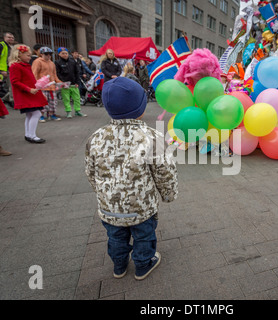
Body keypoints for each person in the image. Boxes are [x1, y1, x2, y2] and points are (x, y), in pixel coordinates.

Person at [85, 77, 178, 280]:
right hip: (142, 208)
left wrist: (101, 192)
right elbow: (165, 171)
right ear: (141, 108)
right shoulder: (152, 137)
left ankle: (119, 266)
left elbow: (90, 171)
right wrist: (168, 195)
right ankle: (143, 264)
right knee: (144, 237)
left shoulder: (96, 137)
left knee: (115, 238)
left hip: (110, 208)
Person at [8, 44, 47, 144]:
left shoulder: (23, 65)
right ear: (19, 54)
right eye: (27, 55)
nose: (30, 57)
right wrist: (28, 89)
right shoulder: (15, 66)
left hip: (30, 93)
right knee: (36, 113)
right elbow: (15, 81)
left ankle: (28, 134)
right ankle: (32, 135)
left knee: (30, 115)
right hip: (26, 94)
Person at [32, 46, 62, 122]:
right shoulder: (37, 61)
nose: (48, 55)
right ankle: (41, 115)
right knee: (43, 102)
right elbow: (34, 74)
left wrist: (59, 82)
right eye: (46, 54)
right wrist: (34, 85)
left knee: (53, 101)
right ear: (41, 54)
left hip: (51, 86)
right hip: (42, 86)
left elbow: (54, 75)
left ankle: (51, 114)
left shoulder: (52, 63)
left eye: (50, 54)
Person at [55, 47, 87, 118]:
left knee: (77, 98)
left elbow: (77, 72)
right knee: (66, 99)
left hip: (74, 84)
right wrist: (62, 82)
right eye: (63, 53)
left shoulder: (73, 62)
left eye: (66, 53)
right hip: (65, 84)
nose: (65, 55)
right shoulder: (57, 62)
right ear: (59, 54)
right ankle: (68, 112)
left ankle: (77, 111)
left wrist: (77, 82)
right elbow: (58, 73)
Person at [0, 32, 15, 107]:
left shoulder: (12, 47)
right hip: (3, 70)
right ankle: (11, 100)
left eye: (12, 37)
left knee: (11, 85)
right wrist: (2, 70)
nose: (11, 39)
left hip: (10, 69)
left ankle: (7, 99)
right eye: (9, 37)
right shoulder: (2, 45)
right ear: (4, 38)